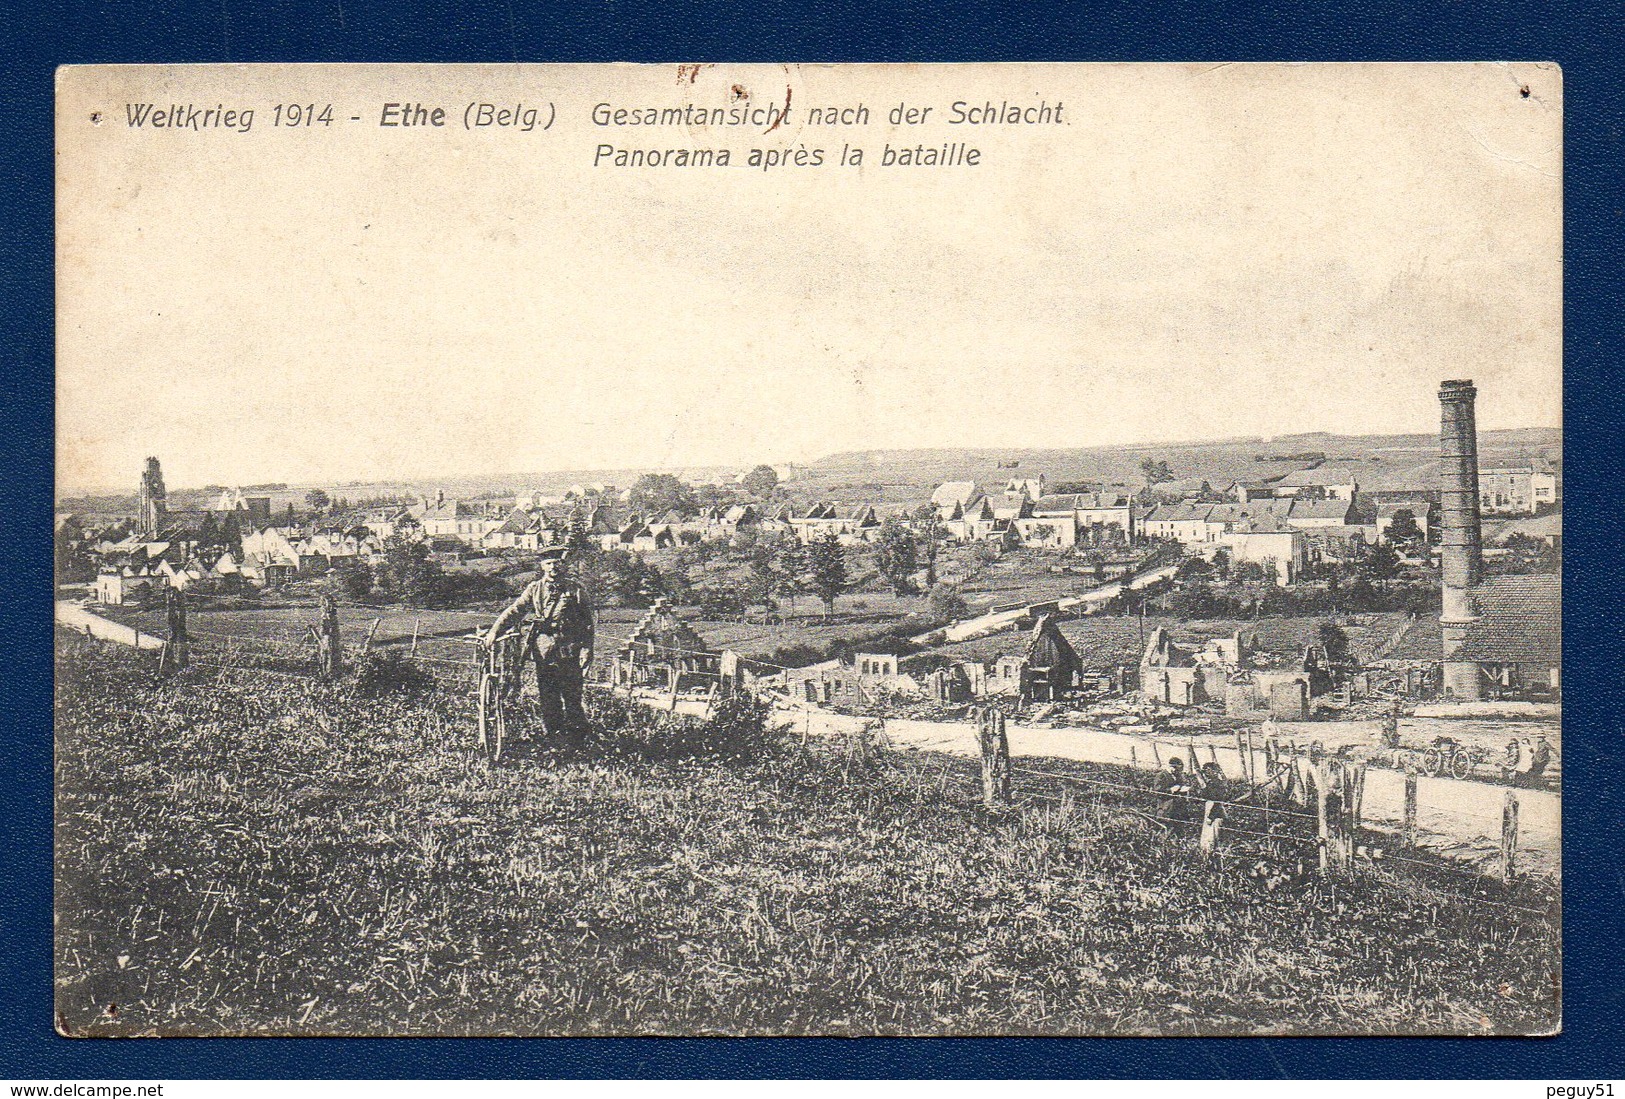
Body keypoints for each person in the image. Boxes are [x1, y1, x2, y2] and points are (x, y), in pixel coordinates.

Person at [487, 546, 595, 750]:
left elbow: (587, 622)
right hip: (544, 651)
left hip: (569, 649)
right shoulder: (534, 588)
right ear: (542, 566)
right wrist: (495, 630)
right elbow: (515, 610)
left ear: (563, 565)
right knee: (548, 697)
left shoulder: (575, 589)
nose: (553, 567)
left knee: (572, 696)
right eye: (548, 563)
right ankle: (554, 740)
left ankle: (579, 741)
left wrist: (587, 649)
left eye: (557, 562)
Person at [1154, 756, 1197, 829]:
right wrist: (1171, 790)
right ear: (1172, 767)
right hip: (1165, 808)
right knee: (1165, 829)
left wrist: (1183, 789)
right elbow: (1157, 792)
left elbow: (1179, 787)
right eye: (1177, 770)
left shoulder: (1177, 776)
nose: (1178, 772)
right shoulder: (1161, 775)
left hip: (1177, 808)